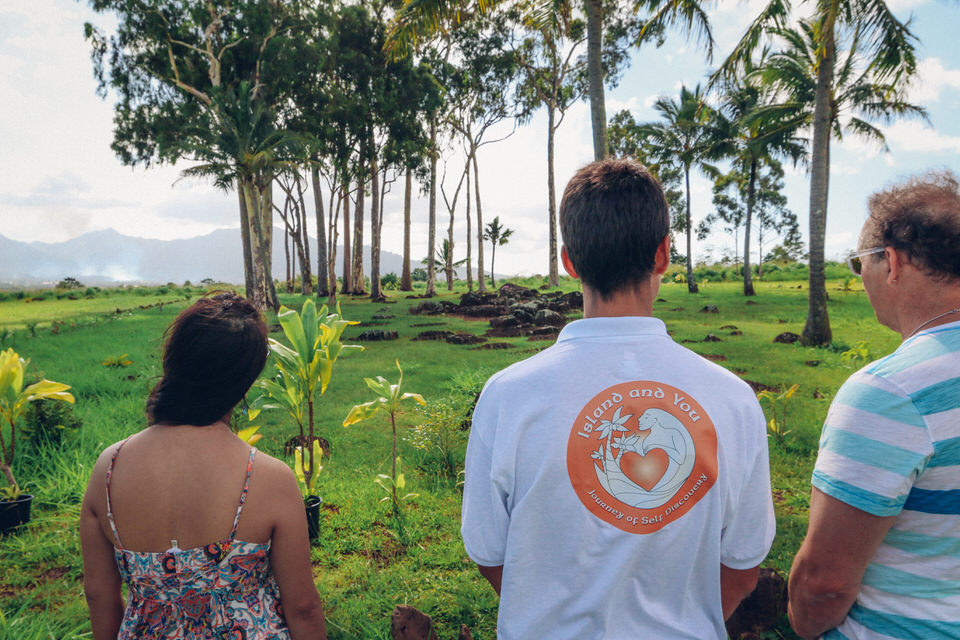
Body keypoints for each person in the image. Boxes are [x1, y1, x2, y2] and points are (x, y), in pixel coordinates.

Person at [460, 158, 775, 639]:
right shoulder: (732, 400)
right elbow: (741, 568)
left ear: (569, 261)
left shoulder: (509, 397)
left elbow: (489, 554)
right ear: (663, 255)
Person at [80, 293, 327, 639]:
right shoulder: (269, 478)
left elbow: (100, 597)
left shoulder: (109, 468)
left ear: (174, 361)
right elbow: (302, 607)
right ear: (245, 381)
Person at [789, 170, 960, 639]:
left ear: (891, 261)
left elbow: (824, 583)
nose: (860, 277)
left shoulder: (892, 393)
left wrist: (803, 626)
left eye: (856, 263)